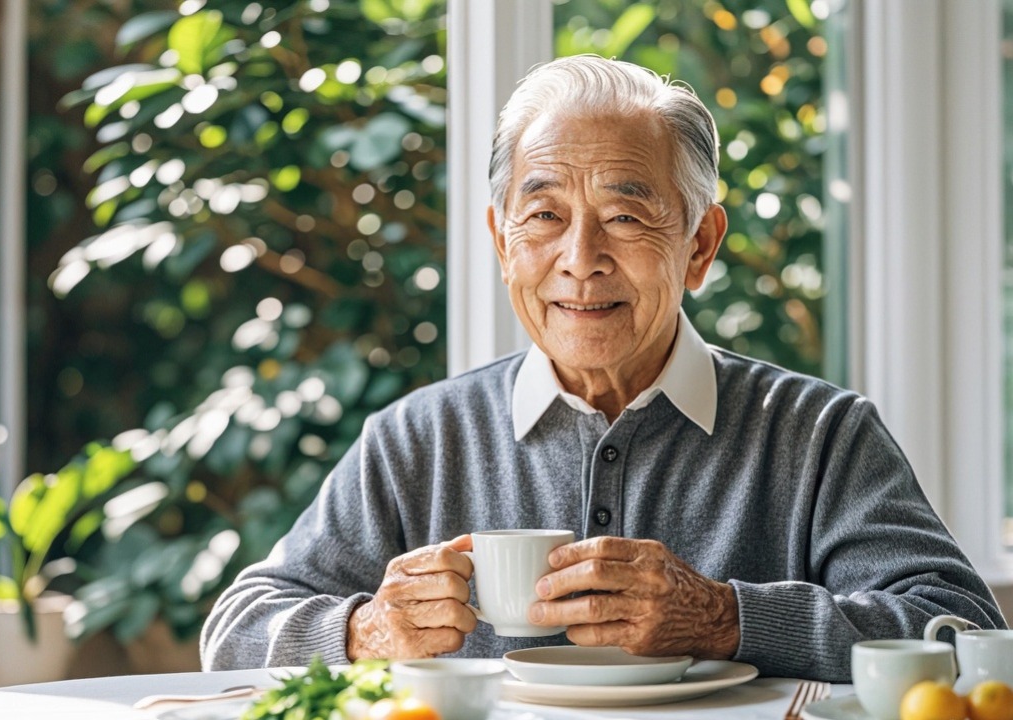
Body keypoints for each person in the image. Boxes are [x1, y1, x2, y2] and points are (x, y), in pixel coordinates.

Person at [200, 54, 1006, 681]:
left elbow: (960, 629)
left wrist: (726, 619)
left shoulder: (819, 433)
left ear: (699, 246)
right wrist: (362, 633)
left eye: (625, 216)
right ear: (500, 238)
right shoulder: (419, 438)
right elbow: (236, 631)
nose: (580, 261)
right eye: (544, 216)